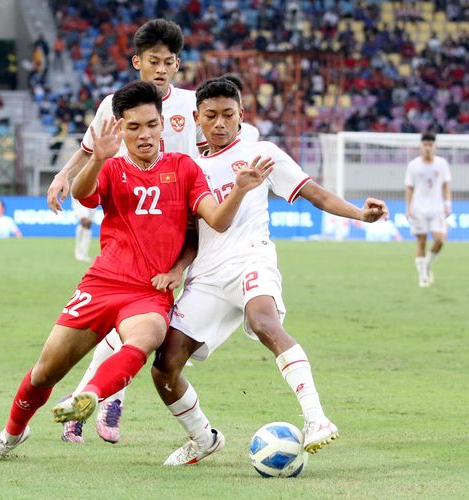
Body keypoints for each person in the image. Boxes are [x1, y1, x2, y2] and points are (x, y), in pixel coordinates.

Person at [0, 80, 274, 462]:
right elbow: (83, 195)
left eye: (150, 124)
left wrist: (240, 190)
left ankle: (91, 396)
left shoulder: (185, 169)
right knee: (44, 372)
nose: (144, 135)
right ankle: (11, 435)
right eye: (133, 127)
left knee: (146, 338)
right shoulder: (112, 167)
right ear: (121, 128)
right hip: (102, 284)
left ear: (163, 124)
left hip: (149, 292)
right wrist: (96, 158)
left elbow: (216, 219)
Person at [147, 78, 389, 465]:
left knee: (264, 321)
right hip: (207, 276)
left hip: (251, 260)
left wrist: (360, 214)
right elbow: (193, 230)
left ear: (242, 114)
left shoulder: (261, 153)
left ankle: (316, 418)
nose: (220, 123)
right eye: (211, 116)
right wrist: (178, 269)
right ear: (196, 118)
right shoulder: (187, 167)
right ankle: (203, 437)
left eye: (228, 114)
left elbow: (315, 193)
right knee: (164, 368)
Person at [47, 19, 207, 444]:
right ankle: (105, 397)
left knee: (153, 327)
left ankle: (90, 396)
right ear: (137, 62)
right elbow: (89, 149)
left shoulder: (192, 106)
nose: (161, 69)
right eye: (153, 61)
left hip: (184, 223)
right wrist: (64, 176)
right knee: (146, 324)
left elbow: (215, 144)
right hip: (131, 226)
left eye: (168, 62)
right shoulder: (113, 105)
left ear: (177, 65)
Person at [405, 132, 452, 287]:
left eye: (430, 145)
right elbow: (409, 187)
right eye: (425, 145)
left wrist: (448, 203)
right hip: (418, 209)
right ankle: (422, 277)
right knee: (421, 242)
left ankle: (426, 264)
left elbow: (446, 185)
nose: (427, 148)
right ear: (421, 146)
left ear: (435, 146)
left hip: (437, 208)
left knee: (440, 240)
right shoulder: (413, 165)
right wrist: (409, 207)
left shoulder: (442, 164)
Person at [72, 197, 95, 261]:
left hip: (92, 196)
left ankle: (84, 252)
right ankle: (78, 252)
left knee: (89, 224)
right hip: (81, 194)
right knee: (85, 222)